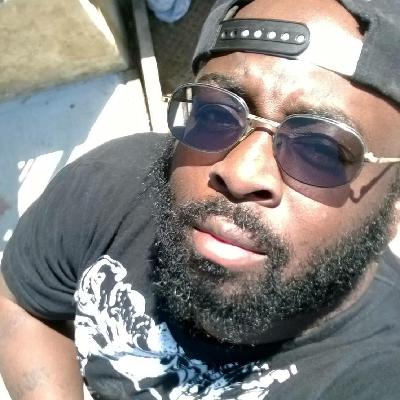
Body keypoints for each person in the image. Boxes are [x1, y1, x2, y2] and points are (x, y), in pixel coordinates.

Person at [1, 0, 399, 398]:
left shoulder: (380, 370)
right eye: (215, 113)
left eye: (321, 150)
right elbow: (20, 302)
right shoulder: (106, 185)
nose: (240, 173)